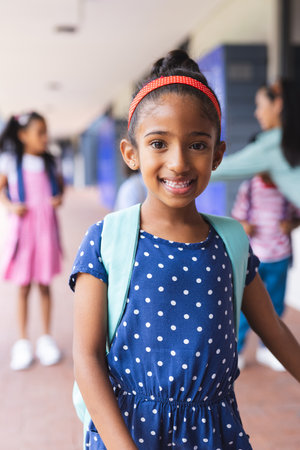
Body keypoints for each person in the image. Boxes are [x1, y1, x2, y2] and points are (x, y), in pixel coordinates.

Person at [70, 50, 300, 449]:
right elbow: (87, 358)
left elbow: (275, 330)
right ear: (131, 153)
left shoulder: (230, 242)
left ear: (217, 155)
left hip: (215, 434)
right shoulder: (107, 239)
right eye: (158, 143)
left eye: (197, 145)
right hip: (129, 434)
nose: (178, 162)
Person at [0, 112, 63, 370]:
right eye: (40, 132)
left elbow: (59, 188)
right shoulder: (11, 162)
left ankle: (46, 338)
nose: (45, 137)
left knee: (45, 284)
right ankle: (23, 341)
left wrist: (58, 199)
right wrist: (11, 206)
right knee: (24, 286)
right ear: (23, 135)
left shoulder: (50, 162)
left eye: (46, 131)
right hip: (24, 231)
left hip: (45, 230)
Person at [232, 171, 300, 371]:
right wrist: (245, 226)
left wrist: (291, 225)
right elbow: (237, 217)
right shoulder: (250, 188)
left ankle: (267, 350)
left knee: (276, 304)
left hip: (280, 255)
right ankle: (237, 351)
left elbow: (297, 216)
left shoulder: (287, 186)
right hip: (253, 256)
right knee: (245, 307)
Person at [211, 80, 300, 207]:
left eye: (260, 106)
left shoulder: (272, 145)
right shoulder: (289, 140)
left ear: (277, 104)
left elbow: (221, 169)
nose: (257, 113)